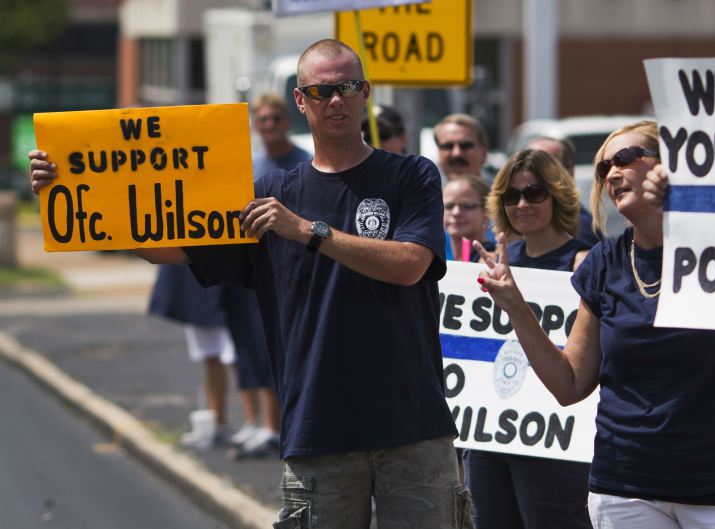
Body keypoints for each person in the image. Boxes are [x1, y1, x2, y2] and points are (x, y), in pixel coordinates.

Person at [30, 39, 472, 529]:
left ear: (365, 92)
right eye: (321, 90)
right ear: (300, 101)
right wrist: (71, 187)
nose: (336, 100)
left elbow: (411, 264)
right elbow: (168, 247)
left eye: (347, 87)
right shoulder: (268, 195)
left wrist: (307, 231)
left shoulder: (411, 175)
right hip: (317, 429)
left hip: (413, 425)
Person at [474, 120, 715, 529]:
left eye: (627, 158)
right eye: (603, 168)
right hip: (624, 491)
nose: (612, 173)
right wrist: (515, 306)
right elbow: (570, 385)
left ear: (669, 166)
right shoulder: (603, 263)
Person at [462, 148, 593, 529]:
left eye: (535, 193)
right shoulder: (494, 262)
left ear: (557, 196)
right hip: (490, 439)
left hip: (555, 439)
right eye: (511, 196)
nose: (522, 203)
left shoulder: (582, 263)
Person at [226, 92, 312, 458]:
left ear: (287, 120)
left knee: (278, 348)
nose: (270, 126)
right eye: (263, 120)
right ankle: (254, 421)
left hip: (288, 271)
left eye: (276, 118)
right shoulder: (248, 163)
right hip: (249, 266)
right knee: (247, 347)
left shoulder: (303, 163)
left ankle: (277, 426)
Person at [148, 265, 234, 448]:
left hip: (230, 276)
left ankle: (258, 423)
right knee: (210, 355)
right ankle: (217, 422)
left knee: (241, 356)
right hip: (196, 276)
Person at [527, 135, 602, 247]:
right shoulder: (517, 215)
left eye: (545, 166)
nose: (532, 173)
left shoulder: (582, 228)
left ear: (569, 172)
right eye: (526, 164)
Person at [443, 174, 492, 262]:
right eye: (449, 206)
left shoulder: (493, 260)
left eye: (466, 206)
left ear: (486, 213)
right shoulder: (434, 258)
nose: (456, 212)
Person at [434, 113, 493, 183]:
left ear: (484, 153)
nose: (456, 153)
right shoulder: (424, 192)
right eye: (448, 146)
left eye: (465, 146)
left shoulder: (501, 193)